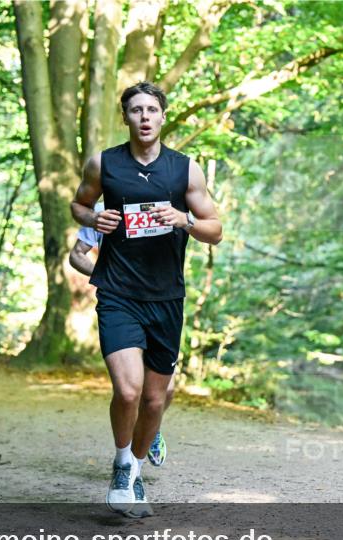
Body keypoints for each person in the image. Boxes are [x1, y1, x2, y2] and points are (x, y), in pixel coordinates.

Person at [70, 81, 222, 516]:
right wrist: (95, 218)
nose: (144, 117)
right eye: (136, 110)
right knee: (129, 388)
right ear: (126, 117)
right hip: (118, 291)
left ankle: (136, 470)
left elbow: (216, 229)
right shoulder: (104, 164)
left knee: (156, 399)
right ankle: (122, 464)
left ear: (162, 116)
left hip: (166, 297)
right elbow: (78, 206)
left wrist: (184, 219)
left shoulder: (184, 170)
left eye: (151, 109)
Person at [68, 207, 172, 469]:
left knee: (165, 391)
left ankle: (151, 427)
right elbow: (76, 254)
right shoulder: (105, 210)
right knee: (129, 390)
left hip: (162, 304)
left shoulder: (166, 205)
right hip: (120, 306)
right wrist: (103, 277)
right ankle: (124, 463)